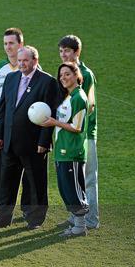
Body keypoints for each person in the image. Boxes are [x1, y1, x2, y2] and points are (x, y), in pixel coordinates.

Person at [0, 46, 58, 230]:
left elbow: (51, 114)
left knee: (36, 183)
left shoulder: (47, 82)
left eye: (25, 61)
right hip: (9, 141)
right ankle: (3, 217)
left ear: (35, 61)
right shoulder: (11, 78)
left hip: (34, 144)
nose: (21, 64)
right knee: (6, 182)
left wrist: (44, 141)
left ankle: (35, 219)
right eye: (19, 61)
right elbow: (3, 110)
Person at [39, 62, 89, 236]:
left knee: (74, 189)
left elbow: (77, 127)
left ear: (76, 75)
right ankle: (74, 220)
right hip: (63, 151)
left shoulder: (79, 98)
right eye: (61, 75)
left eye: (67, 74)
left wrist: (54, 122)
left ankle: (80, 226)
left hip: (72, 152)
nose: (63, 78)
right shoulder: (68, 96)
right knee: (65, 187)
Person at [58, 35, 99, 229]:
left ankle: (91, 219)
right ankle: (76, 217)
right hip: (71, 135)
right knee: (74, 180)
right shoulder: (65, 73)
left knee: (88, 178)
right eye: (60, 51)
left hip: (85, 134)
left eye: (66, 51)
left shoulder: (86, 74)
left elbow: (88, 106)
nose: (63, 54)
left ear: (76, 52)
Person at [0, 27, 31, 220]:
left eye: (12, 43)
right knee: (3, 172)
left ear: (20, 45)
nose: (8, 47)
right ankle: (1, 211)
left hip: (25, 133)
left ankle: (27, 210)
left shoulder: (34, 70)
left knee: (28, 175)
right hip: (4, 130)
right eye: (5, 43)